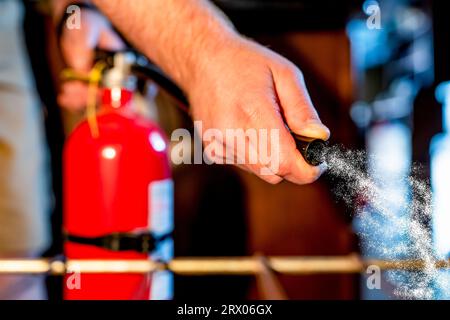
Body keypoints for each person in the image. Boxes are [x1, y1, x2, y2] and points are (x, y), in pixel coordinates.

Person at [0, 0, 330, 299]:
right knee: (10, 268)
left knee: (19, 265)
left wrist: (74, 9)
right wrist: (207, 54)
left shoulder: (148, 139)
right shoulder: (102, 140)